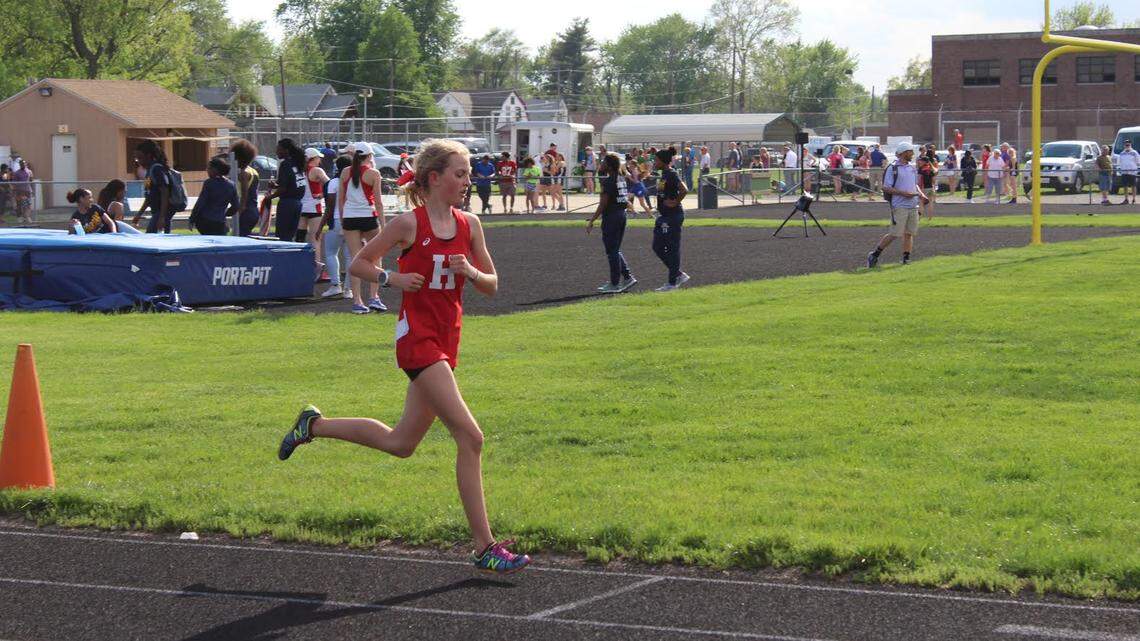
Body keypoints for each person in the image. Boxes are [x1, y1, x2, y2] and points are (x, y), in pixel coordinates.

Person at [277, 138, 530, 576]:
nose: (467, 182)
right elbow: (359, 263)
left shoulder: (470, 224)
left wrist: (469, 272)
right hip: (417, 342)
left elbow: (492, 283)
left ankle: (312, 425)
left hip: (448, 341)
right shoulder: (407, 224)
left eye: (468, 174)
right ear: (435, 178)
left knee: (401, 443)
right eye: (460, 174)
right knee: (471, 438)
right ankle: (484, 545)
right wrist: (392, 278)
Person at [337, 142, 386, 314]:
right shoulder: (373, 173)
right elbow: (378, 202)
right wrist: (384, 223)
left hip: (350, 218)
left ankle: (357, 301)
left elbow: (341, 199)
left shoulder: (345, 171)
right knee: (376, 257)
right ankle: (374, 297)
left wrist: (343, 219)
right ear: (370, 156)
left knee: (354, 259)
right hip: (368, 217)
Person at [867, 142, 927, 267]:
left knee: (909, 233)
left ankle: (906, 259)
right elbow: (886, 187)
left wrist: (921, 194)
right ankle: (874, 254)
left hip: (913, 205)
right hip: (899, 205)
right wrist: (903, 193)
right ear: (903, 153)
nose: (912, 154)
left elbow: (915, 185)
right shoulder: (892, 168)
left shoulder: (911, 167)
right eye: (910, 151)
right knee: (895, 233)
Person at [586, 153, 637, 294]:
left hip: (612, 218)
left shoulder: (608, 181)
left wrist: (592, 220)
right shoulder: (621, 178)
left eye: (603, 162)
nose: (601, 164)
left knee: (612, 251)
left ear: (608, 165)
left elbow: (603, 204)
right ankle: (627, 277)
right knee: (615, 249)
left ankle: (615, 283)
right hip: (621, 215)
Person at [316, 155, 355, 299]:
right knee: (350, 255)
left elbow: (330, 207)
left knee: (331, 253)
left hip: (337, 220)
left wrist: (320, 227)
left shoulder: (334, 182)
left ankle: (335, 285)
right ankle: (348, 289)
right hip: (353, 221)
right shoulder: (355, 182)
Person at [651, 147, 689, 291]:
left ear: (662, 161)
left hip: (673, 216)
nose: (654, 162)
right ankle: (678, 274)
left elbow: (684, 189)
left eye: (656, 160)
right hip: (664, 216)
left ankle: (672, 283)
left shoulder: (671, 174)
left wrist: (675, 201)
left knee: (673, 249)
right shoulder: (664, 174)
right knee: (657, 247)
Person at [264, 139, 307, 242]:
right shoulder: (296, 162)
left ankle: (283, 257)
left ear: (286, 150)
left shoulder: (285, 164)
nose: (276, 152)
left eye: (279, 149)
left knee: (282, 236)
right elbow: (290, 183)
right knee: (290, 235)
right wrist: (275, 185)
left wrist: (269, 198)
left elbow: (283, 189)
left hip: (287, 204)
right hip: (297, 203)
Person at [131, 141, 175, 233]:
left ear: (149, 155)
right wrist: (139, 214)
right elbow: (149, 196)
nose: (138, 161)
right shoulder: (149, 171)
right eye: (136, 158)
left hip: (162, 212)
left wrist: (162, 217)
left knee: (151, 238)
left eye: (140, 157)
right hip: (156, 212)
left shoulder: (157, 169)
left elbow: (165, 192)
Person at [188, 157, 239, 236]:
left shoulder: (209, 183)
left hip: (205, 221)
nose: (206, 170)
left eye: (208, 168)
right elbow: (236, 206)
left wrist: (192, 219)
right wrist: (225, 214)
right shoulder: (231, 185)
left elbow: (200, 203)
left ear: (215, 169)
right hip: (220, 222)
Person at [300, 148, 331, 272]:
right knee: (315, 239)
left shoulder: (299, 170)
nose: (320, 160)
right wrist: (322, 195)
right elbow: (330, 185)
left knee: (300, 238)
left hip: (301, 207)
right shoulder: (317, 170)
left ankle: (300, 265)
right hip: (314, 208)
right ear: (314, 158)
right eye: (319, 158)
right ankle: (316, 268)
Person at [231, 140, 262, 236]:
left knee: (239, 239)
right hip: (253, 209)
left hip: (246, 211)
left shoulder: (243, 174)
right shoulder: (253, 171)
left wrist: (238, 213)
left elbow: (244, 195)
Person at [1116, 139, 1139, 205]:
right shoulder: (1121, 153)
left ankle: (1134, 199)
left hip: (1132, 172)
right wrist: (1120, 171)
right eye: (1126, 144)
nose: (1127, 145)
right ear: (1124, 145)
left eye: (1128, 144)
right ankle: (1126, 199)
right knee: (1125, 187)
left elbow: (1138, 162)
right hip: (1124, 173)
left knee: (1133, 186)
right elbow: (1119, 163)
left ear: (1130, 144)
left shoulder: (1134, 152)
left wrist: (1136, 170)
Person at [916, 147, 937, 219]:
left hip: (923, 188)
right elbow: (933, 180)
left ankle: (919, 217)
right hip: (930, 187)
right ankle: (930, 217)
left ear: (925, 162)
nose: (920, 162)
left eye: (921, 161)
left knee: (921, 203)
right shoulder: (931, 169)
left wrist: (918, 188)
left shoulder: (921, 169)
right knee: (930, 203)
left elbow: (919, 180)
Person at [11, 160, 33, 224]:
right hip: (19, 191)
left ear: (26, 164)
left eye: (24, 164)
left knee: (28, 204)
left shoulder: (29, 171)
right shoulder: (17, 173)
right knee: (19, 204)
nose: (23, 165)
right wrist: (15, 191)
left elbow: (31, 180)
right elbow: (14, 183)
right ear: (20, 165)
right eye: (21, 164)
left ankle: (27, 217)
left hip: (27, 190)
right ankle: (19, 217)